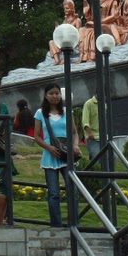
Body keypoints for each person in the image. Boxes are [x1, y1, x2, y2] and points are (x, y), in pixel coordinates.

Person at [34, 82, 76, 228]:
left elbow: (74, 132)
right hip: (50, 156)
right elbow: (37, 136)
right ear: (45, 96)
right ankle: (56, 225)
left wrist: (75, 145)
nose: (54, 96)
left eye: (57, 93)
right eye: (51, 93)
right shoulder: (40, 113)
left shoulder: (66, 111)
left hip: (66, 155)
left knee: (73, 190)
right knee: (53, 193)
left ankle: (73, 223)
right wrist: (49, 148)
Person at [81, 92, 101, 163]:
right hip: (93, 138)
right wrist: (89, 133)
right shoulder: (88, 104)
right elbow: (85, 121)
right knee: (95, 158)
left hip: (103, 137)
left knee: (110, 158)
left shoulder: (104, 104)